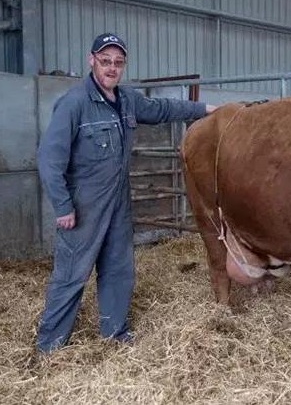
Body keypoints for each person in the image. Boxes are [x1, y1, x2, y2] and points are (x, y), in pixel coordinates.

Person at [36, 32, 216, 353]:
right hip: (84, 205)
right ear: (92, 61)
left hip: (118, 201)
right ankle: (50, 345)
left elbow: (162, 108)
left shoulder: (128, 100)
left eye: (118, 62)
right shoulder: (75, 104)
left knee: (119, 269)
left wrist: (205, 109)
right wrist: (63, 206)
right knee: (72, 275)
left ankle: (114, 332)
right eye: (105, 61)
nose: (112, 68)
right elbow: (50, 160)